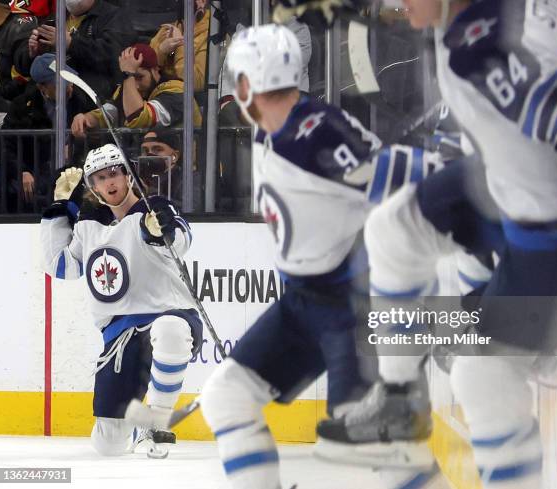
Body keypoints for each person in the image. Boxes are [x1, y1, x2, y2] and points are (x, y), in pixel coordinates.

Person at [316, 1, 557, 488]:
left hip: (548, 229)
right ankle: (400, 397)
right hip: (507, 187)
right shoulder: (472, 20)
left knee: (481, 376)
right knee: (394, 226)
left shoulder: (482, 43)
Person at [195, 24, 460, 489]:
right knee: (227, 396)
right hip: (303, 303)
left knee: (376, 444)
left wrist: (450, 165)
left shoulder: (312, 133)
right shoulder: (273, 131)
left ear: (244, 84)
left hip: (350, 309)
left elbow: (387, 174)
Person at [40, 143, 203, 458]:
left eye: (114, 173)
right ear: (92, 186)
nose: (109, 182)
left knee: (169, 328)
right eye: (100, 178)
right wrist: (59, 207)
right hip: (119, 337)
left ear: (128, 175)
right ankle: (134, 427)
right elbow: (59, 266)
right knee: (108, 445)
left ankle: (157, 421)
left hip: (170, 315)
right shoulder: (89, 226)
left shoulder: (153, 208)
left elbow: (180, 240)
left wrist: (161, 232)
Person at [1, 53, 94, 211]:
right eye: (59, 84)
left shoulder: (82, 99)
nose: (68, 87)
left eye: (68, 80)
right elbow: (5, 145)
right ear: (42, 87)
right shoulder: (22, 107)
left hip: (76, 167)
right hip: (37, 169)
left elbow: (98, 134)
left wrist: (75, 143)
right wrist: (21, 171)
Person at [70, 43, 202, 137]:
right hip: (148, 164)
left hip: (187, 167)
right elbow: (111, 113)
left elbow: (138, 119)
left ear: (155, 70)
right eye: (131, 77)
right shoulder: (128, 84)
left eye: (139, 77)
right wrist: (86, 118)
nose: (136, 85)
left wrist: (128, 75)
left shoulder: (177, 90)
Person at [21, 0, 135, 101]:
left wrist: (71, 43)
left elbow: (114, 55)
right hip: (47, 96)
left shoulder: (114, 16)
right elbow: (27, 69)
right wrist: (35, 53)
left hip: (90, 99)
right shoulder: (55, 18)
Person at [149, 0, 210, 92]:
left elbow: (196, 83)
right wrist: (161, 52)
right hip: (159, 93)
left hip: (189, 100)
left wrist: (180, 44)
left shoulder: (213, 35)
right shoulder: (167, 30)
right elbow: (145, 75)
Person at [139, 129, 183, 208]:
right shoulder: (137, 178)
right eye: (145, 151)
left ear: (174, 156)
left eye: (158, 150)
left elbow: (186, 210)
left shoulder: (186, 181)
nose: (149, 155)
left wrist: (150, 192)